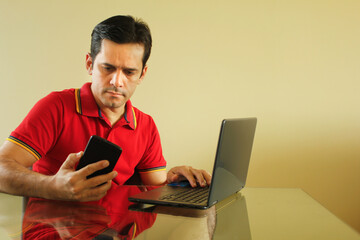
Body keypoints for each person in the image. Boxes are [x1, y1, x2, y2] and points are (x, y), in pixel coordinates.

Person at [0, 15, 211, 202]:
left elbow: (154, 187)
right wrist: (54, 186)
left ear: (142, 74)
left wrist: (175, 178)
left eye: (129, 72)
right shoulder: (56, 107)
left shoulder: (146, 126)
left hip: (114, 230)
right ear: (89, 64)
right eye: (108, 68)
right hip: (51, 230)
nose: (117, 81)